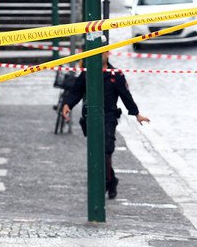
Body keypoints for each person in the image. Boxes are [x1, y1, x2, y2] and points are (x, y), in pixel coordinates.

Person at [61, 52, 150, 199]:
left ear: (108, 54)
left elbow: (126, 96)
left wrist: (136, 114)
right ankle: (111, 180)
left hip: (109, 116)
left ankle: (107, 181)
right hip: (91, 117)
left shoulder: (116, 75)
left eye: (103, 51)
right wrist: (68, 105)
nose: (101, 55)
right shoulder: (87, 73)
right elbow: (76, 91)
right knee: (97, 151)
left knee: (106, 149)